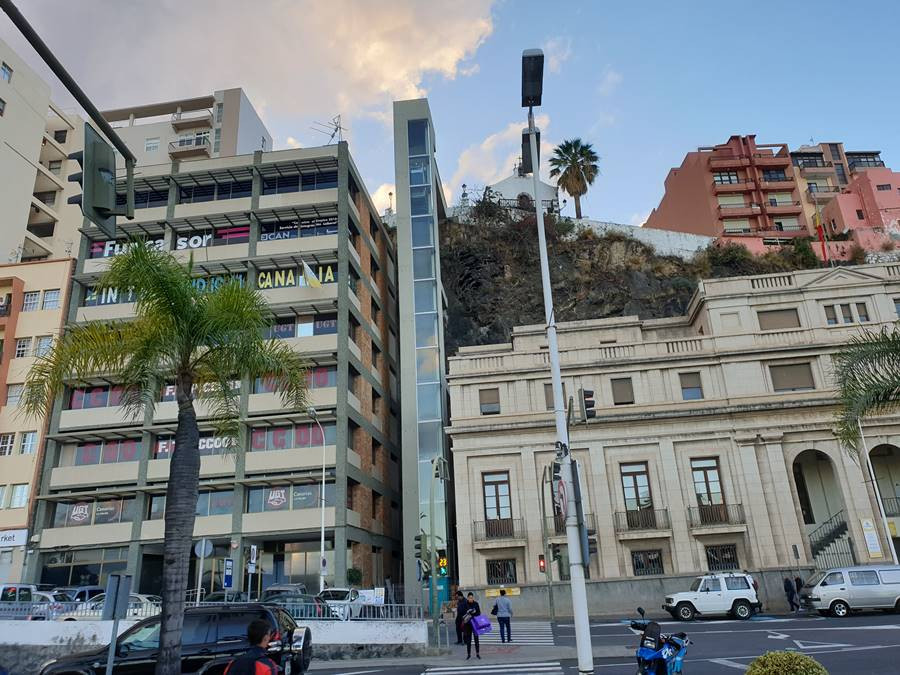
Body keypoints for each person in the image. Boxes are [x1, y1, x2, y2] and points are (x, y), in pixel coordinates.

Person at [462, 592, 481, 660]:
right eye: (469, 598)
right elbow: (462, 613)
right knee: (468, 640)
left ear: (473, 598)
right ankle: (469, 654)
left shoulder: (476, 604)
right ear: (467, 598)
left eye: (472, 598)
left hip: (475, 623)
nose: (471, 599)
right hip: (468, 624)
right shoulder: (465, 604)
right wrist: (467, 612)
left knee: (476, 639)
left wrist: (474, 612)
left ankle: (477, 653)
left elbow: (479, 613)